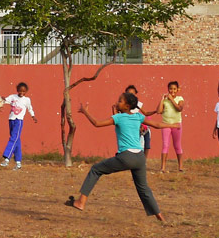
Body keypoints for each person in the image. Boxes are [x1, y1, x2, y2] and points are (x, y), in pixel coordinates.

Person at [65, 92, 170, 221]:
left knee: (96, 169)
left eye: (120, 101)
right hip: (140, 157)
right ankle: (160, 216)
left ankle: (81, 202)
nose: (117, 102)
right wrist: (173, 125)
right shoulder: (138, 116)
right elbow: (158, 125)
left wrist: (85, 111)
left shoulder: (118, 118)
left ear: (127, 106)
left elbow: (97, 123)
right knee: (143, 188)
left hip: (126, 157)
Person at [148, 80, 184, 172]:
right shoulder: (165, 100)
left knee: (177, 145)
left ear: (178, 90)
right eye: (170, 89)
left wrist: (171, 99)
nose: (172, 91)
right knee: (165, 145)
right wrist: (162, 100)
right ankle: (163, 167)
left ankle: (180, 167)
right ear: (168, 89)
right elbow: (159, 111)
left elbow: (179, 108)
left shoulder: (180, 99)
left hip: (176, 125)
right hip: (165, 124)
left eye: (174, 89)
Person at [0, 81, 37, 169]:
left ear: (26, 91)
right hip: (11, 120)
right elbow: (5, 101)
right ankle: (18, 162)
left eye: (24, 91)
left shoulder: (27, 100)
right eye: (20, 91)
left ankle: (7, 158)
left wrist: (33, 116)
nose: (22, 93)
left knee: (13, 138)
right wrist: (1, 99)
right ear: (17, 90)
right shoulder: (13, 97)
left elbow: (30, 108)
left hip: (19, 121)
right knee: (16, 140)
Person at [125, 84, 151, 155]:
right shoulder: (124, 105)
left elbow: (145, 113)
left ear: (136, 95)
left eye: (132, 94)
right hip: (132, 127)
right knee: (137, 145)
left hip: (140, 126)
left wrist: (155, 111)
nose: (130, 96)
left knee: (147, 143)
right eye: (129, 94)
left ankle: (144, 159)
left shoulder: (138, 104)